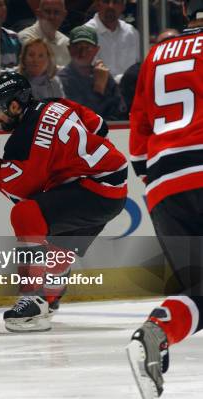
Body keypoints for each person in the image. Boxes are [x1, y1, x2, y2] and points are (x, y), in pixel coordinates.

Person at [0, 71, 125, 332]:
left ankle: (33, 297)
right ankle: (48, 297)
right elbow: (99, 127)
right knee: (55, 252)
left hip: (93, 190)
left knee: (26, 214)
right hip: (111, 185)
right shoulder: (55, 103)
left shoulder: (23, 138)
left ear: (14, 105)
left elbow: (24, 190)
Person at [126, 1, 203, 397]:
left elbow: (138, 136)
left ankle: (159, 329)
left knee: (200, 292)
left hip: (165, 183)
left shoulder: (156, 54)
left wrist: (156, 183)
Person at [58, 25, 126, 120]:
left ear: (96, 50)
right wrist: (99, 89)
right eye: (77, 47)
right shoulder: (61, 80)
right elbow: (81, 117)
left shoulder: (104, 75)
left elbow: (121, 112)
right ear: (69, 49)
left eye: (87, 48)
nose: (82, 53)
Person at [84, 0, 140, 80]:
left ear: (123, 6)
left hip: (129, 89)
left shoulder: (131, 33)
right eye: (106, 1)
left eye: (116, 2)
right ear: (97, 4)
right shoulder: (86, 33)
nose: (111, 6)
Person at [17, 0, 71, 67]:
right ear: (38, 14)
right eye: (47, 12)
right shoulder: (26, 37)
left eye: (56, 12)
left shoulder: (66, 42)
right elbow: (40, 67)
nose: (52, 17)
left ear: (64, 15)